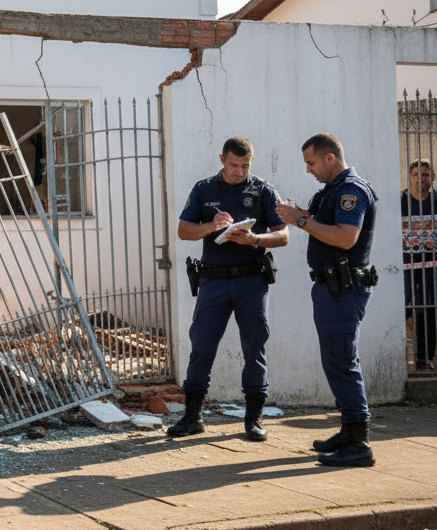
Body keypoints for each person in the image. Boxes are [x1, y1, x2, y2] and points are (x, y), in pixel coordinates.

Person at [169, 136, 289, 441]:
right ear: (222, 160)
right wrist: (211, 226)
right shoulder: (204, 188)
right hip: (214, 281)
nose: (239, 171)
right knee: (202, 347)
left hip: (251, 280)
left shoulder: (262, 189)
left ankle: (254, 419)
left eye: (245, 165)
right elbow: (184, 230)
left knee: (254, 347)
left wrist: (255, 239)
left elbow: (284, 234)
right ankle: (192, 417)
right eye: (234, 165)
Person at [275, 133, 378, 468]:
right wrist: (302, 214)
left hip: (343, 288)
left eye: (311, 162)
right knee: (336, 360)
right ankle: (350, 431)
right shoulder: (334, 190)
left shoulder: (352, 190)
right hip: (331, 287)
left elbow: (347, 238)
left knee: (343, 359)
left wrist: (302, 221)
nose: (309, 170)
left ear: (329, 158)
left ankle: (360, 442)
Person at [401, 158, 437, 370]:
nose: (421, 180)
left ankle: (424, 358)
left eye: (425, 175)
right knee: (402, 308)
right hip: (404, 265)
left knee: (427, 310)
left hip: (431, 264)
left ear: (432, 178)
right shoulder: (400, 200)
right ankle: (401, 356)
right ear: (410, 177)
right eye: (416, 175)